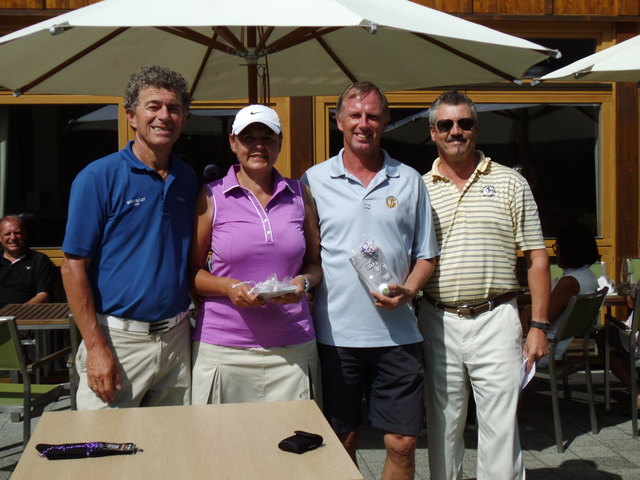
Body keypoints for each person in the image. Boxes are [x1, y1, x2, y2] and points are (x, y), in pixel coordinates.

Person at [301, 82, 438, 480]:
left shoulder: (409, 179)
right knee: (340, 441)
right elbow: (310, 256)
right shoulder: (313, 180)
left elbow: (426, 255)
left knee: (403, 443)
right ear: (339, 120)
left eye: (373, 116)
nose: (364, 124)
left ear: (386, 121)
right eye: (356, 115)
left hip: (398, 337)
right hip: (335, 336)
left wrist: (408, 291)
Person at [419, 90, 550, 480]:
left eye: (464, 123)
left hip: (497, 317)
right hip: (437, 319)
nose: (455, 131)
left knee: (501, 429)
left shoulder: (511, 183)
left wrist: (539, 327)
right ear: (433, 132)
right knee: (442, 426)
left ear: (476, 128)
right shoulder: (418, 188)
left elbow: (537, 257)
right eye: (446, 124)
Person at [61, 65, 198, 409]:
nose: (163, 116)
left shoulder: (187, 178)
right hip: (117, 340)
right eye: (153, 106)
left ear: (184, 119)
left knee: (172, 450)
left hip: (177, 338)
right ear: (131, 116)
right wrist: (95, 347)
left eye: (174, 108)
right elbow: (72, 267)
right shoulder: (98, 178)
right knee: (102, 453)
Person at [188, 104, 322, 405]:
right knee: (223, 448)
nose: (258, 145)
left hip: (293, 347)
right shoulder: (212, 195)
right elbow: (192, 272)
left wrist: (304, 282)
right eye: (249, 138)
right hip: (224, 349)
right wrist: (228, 287)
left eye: (267, 137)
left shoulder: (301, 194)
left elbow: (315, 263)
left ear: (280, 143)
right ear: (233, 142)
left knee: (294, 446)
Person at [522, 225, 599, 367]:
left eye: (557, 247)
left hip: (545, 346)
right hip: (559, 343)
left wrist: (528, 309)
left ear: (569, 250)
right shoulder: (589, 277)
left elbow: (543, 318)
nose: (555, 252)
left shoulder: (569, 283)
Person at [597, 277, 640, 412]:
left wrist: (627, 293)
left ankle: (637, 391)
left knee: (605, 337)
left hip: (636, 341)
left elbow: (631, 303)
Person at [0, 214, 53, 307]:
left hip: (27, 316)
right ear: (0, 238)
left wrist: (20, 312)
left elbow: (43, 295)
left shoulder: (38, 260)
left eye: (17, 233)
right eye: (7, 234)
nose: (13, 238)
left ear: (24, 234)